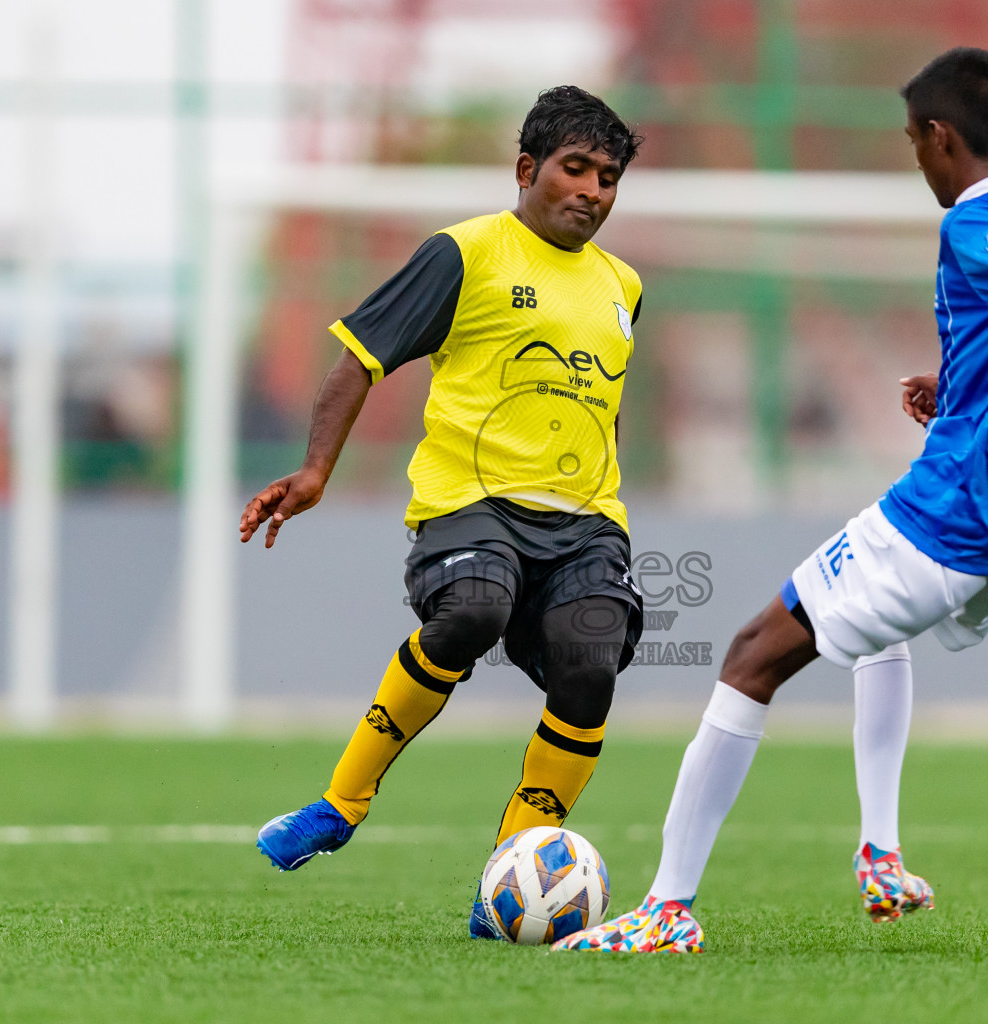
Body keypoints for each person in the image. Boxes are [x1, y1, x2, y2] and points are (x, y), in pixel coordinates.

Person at [555, 47, 988, 954]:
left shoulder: (976, 225)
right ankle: (881, 851)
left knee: (750, 656)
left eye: (913, 144)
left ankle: (667, 908)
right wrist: (962, 385)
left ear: (942, 138)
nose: (916, 162)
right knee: (882, 633)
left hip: (958, 513)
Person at [241, 85, 646, 938]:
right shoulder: (463, 254)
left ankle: (506, 875)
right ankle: (339, 805)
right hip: (470, 505)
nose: (592, 192)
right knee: (472, 611)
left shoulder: (624, 286)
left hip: (584, 522)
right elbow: (360, 356)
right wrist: (316, 470)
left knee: (590, 662)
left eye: (609, 178)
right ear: (527, 169)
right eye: (576, 170)